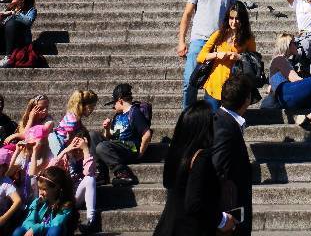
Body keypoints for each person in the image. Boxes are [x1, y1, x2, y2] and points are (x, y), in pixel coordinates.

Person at [154, 102, 237, 235]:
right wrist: (222, 220)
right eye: (212, 120)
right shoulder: (202, 157)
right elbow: (194, 203)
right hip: (191, 229)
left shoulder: (177, 154)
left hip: (168, 226)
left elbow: (168, 184)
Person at [178, 0, 240, 109]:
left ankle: (212, 117)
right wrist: (181, 41)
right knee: (189, 82)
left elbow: (233, 17)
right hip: (199, 39)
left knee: (215, 85)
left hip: (220, 41)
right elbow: (187, 14)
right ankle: (187, 116)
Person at [212, 75, 254, 236]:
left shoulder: (223, 120)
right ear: (247, 100)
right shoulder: (225, 126)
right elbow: (216, 171)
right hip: (229, 214)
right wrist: (220, 218)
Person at [265, 33, 311, 122]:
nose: (297, 45)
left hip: (287, 99)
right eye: (295, 43)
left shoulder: (277, 62)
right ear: (288, 45)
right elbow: (295, 79)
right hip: (289, 92)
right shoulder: (279, 60)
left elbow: (271, 87)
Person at [197, 2, 257, 112]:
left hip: (234, 89)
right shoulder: (219, 34)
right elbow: (200, 56)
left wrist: (238, 57)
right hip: (214, 86)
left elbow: (254, 60)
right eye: (231, 18)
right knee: (212, 122)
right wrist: (216, 55)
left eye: (237, 19)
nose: (234, 22)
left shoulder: (248, 38)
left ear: (243, 20)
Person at [95, 82, 152, 187]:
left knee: (102, 147)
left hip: (131, 147)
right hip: (119, 146)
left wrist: (140, 152)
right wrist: (107, 129)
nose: (113, 106)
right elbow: (110, 137)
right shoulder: (118, 116)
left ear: (120, 101)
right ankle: (101, 173)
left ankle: (123, 173)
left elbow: (147, 134)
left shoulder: (135, 112)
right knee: (93, 136)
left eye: (114, 103)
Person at [49, 130, 99, 234]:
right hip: (63, 197)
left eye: (80, 149)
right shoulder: (65, 156)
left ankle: (91, 220)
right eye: (76, 149)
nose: (77, 152)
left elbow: (88, 173)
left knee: (90, 178)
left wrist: (85, 150)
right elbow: (48, 172)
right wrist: (65, 151)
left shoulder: (88, 156)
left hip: (77, 196)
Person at [9, 165, 75, 236]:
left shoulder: (65, 206)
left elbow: (56, 223)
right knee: (18, 231)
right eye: (39, 188)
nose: (40, 192)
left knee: (55, 231)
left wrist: (36, 228)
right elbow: (29, 220)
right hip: (36, 232)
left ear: (56, 188)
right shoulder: (37, 202)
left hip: (48, 232)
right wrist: (30, 228)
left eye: (44, 189)